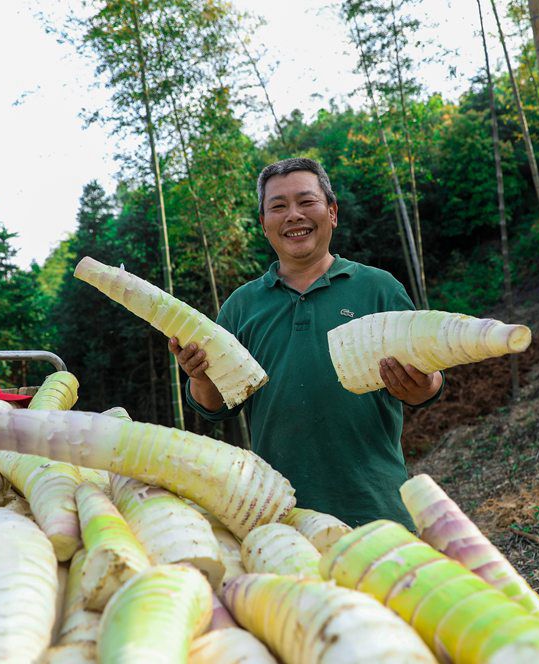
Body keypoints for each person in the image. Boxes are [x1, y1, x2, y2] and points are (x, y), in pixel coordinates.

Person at [170, 158, 443, 529]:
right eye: (278, 206)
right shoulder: (241, 307)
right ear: (264, 225)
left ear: (332, 212)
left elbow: (424, 384)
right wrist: (199, 376)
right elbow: (216, 407)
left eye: (306, 202)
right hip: (282, 516)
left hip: (377, 507)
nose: (293, 215)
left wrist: (423, 383)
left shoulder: (378, 289)